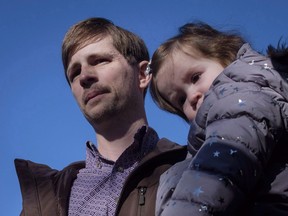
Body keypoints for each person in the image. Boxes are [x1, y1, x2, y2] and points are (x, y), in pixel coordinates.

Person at [14, 17, 187, 216]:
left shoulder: (193, 168)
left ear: (141, 75)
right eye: (74, 73)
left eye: (100, 61)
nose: (84, 76)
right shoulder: (46, 200)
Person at [149, 21, 288, 215]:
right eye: (181, 100)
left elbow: (215, 173)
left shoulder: (240, 100)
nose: (192, 96)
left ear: (226, 57)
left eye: (195, 77)